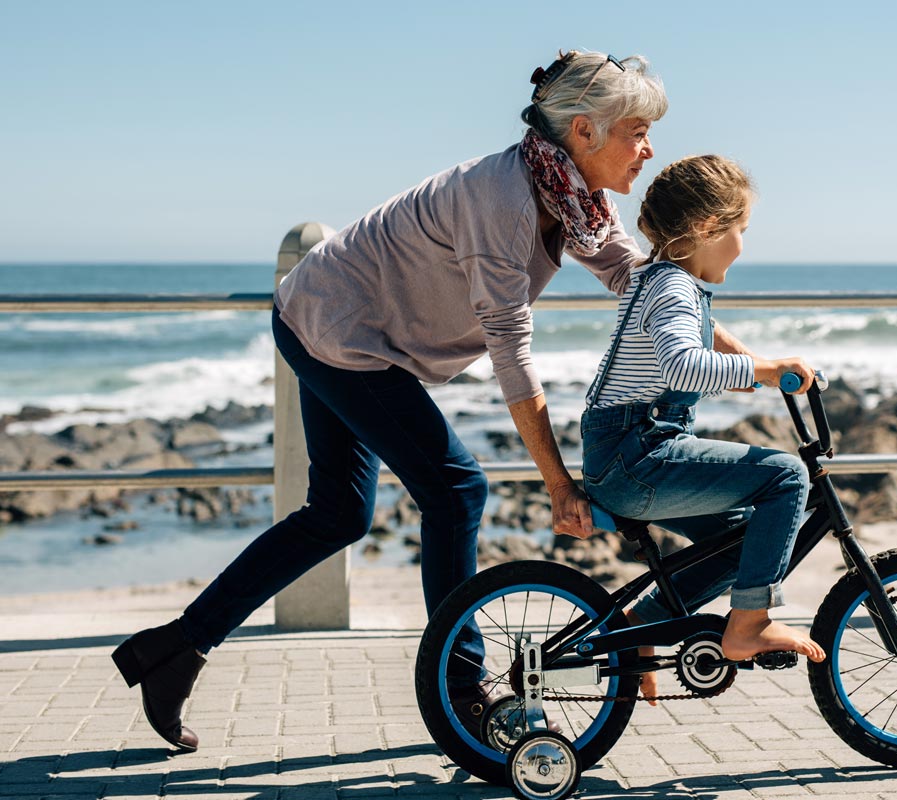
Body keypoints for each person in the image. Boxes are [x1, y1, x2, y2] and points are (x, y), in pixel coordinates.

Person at [110, 49, 668, 752]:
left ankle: (172, 651)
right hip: (336, 330)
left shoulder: (574, 199)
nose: (648, 150)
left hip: (335, 322)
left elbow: (642, 285)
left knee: (338, 513)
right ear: (583, 131)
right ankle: (462, 688)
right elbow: (510, 350)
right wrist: (557, 483)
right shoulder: (501, 200)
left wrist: (746, 359)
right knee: (456, 490)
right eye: (637, 131)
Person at [580, 155, 827, 703]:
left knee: (745, 545)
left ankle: (635, 627)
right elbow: (681, 365)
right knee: (787, 476)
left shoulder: (660, 278)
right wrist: (765, 370)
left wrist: (748, 362)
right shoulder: (672, 288)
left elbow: (692, 336)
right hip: (638, 453)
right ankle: (749, 625)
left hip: (626, 450)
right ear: (705, 230)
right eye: (742, 230)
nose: (744, 243)